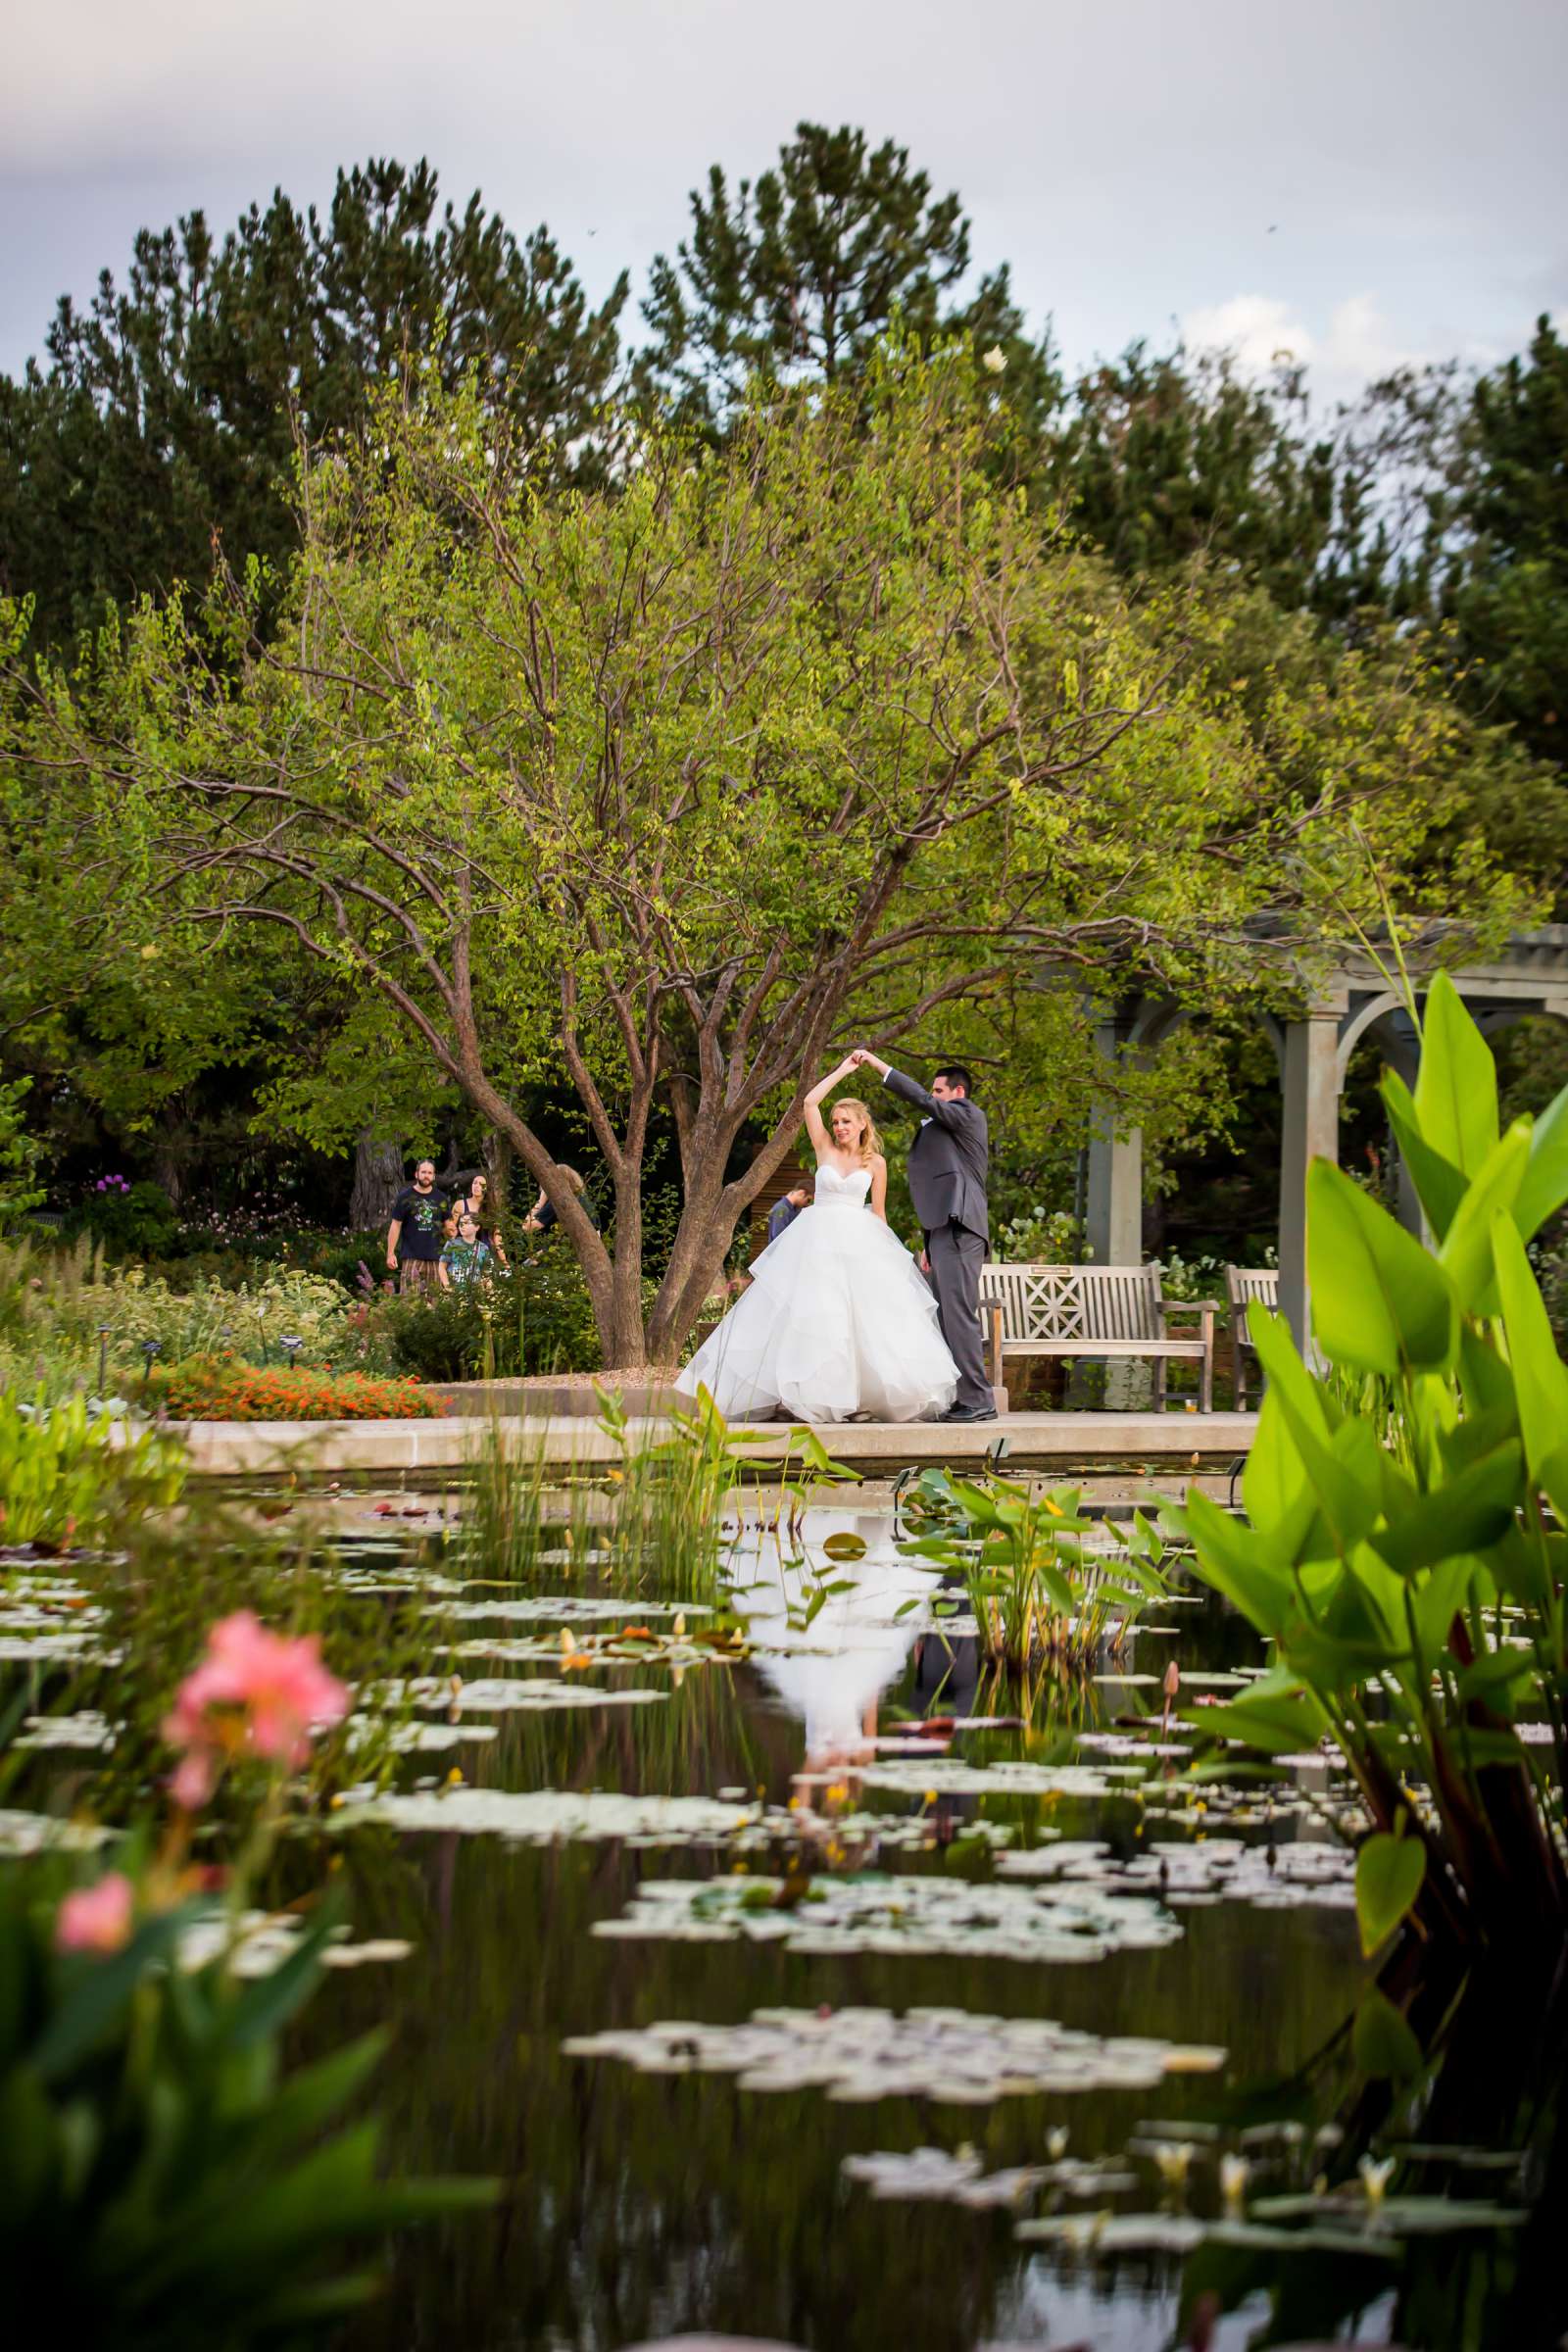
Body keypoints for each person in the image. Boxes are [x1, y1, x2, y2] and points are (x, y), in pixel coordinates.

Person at [675, 1054, 957, 1424]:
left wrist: (888, 1258)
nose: (838, 1126)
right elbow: (809, 1102)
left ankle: (855, 1399)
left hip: (858, 1244)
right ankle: (798, 1395)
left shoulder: (876, 1163)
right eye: (836, 1121)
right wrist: (843, 1070)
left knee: (856, 1322)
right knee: (809, 1317)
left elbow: (879, 1213)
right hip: (816, 1242)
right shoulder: (824, 1147)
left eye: (845, 1121)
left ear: (861, 1125)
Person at [852, 1049, 996, 1422]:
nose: (932, 1096)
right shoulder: (947, 1127)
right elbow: (938, 1184)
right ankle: (961, 1399)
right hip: (944, 1231)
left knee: (959, 1316)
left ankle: (980, 1401)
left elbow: (920, 1100)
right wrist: (929, 1239)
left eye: (938, 1090)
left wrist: (880, 1066)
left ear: (958, 1093)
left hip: (962, 1229)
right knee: (944, 1317)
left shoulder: (967, 1115)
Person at [386, 1157, 447, 1296]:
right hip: (411, 1257)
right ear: (416, 1174)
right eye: (423, 1172)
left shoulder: (441, 1198)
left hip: (435, 1258)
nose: (426, 1176)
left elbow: (448, 1226)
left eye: (430, 1173)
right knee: (409, 1303)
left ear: (434, 1176)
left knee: (434, 1303)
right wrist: (390, 1253)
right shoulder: (405, 1197)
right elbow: (395, 1225)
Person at [449, 1170, 509, 1269]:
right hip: (463, 1252)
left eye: (481, 1184)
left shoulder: (491, 1209)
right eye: (475, 1183)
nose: (476, 1186)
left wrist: (504, 1261)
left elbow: (497, 1236)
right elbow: (451, 1230)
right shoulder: (460, 1205)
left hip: (484, 1254)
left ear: (486, 1189)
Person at [521, 1165, 599, 1234]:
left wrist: (541, 1201)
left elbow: (527, 1227)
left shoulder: (559, 1201)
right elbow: (597, 1235)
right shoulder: (587, 1202)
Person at [440, 1210, 493, 1290]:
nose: (462, 1225)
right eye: (461, 1223)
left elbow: (486, 1273)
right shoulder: (452, 1243)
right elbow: (442, 1266)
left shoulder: (483, 1248)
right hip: (454, 1293)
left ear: (477, 1227)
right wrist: (447, 1286)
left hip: (474, 1293)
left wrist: (488, 1288)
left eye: (466, 1223)